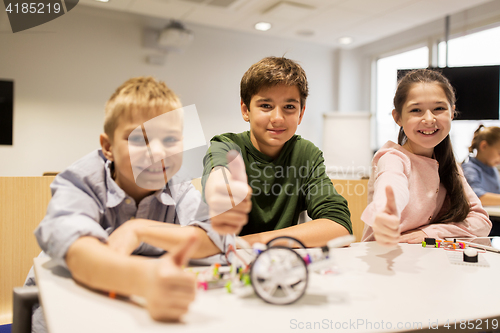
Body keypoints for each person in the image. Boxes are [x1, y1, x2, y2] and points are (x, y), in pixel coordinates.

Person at [27, 77, 234, 331]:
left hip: (134, 309)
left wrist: (139, 230)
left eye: (170, 140)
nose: (158, 153)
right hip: (65, 308)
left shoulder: (178, 185)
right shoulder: (80, 181)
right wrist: (145, 281)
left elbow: (215, 238)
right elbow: (78, 251)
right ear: (107, 147)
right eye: (139, 139)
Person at [202, 56, 352, 247]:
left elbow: (338, 225)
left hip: (278, 261)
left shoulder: (306, 154)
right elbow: (218, 175)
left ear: (301, 114)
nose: (278, 118)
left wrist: (253, 241)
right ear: (245, 110)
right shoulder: (227, 144)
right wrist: (220, 188)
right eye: (266, 106)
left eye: (289, 107)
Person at [360, 69, 491, 246]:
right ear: (398, 117)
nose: (429, 119)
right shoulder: (392, 158)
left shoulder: (449, 165)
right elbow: (391, 184)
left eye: (439, 108)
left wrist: (430, 232)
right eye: (416, 110)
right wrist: (386, 211)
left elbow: (481, 221)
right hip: (385, 261)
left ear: (452, 113)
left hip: (428, 261)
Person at [462, 125, 500, 235]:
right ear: (484, 146)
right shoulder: (470, 168)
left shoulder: (492, 169)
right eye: (499, 153)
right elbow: (478, 197)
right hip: (481, 220)